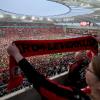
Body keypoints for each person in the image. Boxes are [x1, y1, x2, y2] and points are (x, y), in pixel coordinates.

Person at [7, 43, 91, 100]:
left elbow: (39, 80)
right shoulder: (85, 94)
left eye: (89, 69)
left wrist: (16, 55)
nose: (86, 69)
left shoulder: (67, 94)